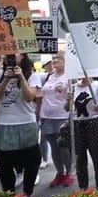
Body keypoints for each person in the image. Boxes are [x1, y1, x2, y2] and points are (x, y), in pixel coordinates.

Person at [0, 54, 42, 197]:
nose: (12, 55)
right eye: (10, 53)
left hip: (25, 123)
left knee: (32, 160)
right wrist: (6, 79)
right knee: (5, 163)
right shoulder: (1, 74)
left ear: (24, 57)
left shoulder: (32, 75)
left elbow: (29, 97)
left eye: (16, 53)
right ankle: (9, 195)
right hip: (4, 124)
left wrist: (21, 78)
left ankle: (27, 193)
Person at [66, 77, 98, 191]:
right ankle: (83, 187)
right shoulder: (72, 87)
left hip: (94, 122)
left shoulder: (96, 85)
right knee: (79, 158)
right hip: (76, 123)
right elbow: (67, 108)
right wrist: (68, 100)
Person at [37, 52, 74, 188]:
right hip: (47, 116)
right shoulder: (47, 77)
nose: (55, 61)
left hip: (62, 116)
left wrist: (69, 101)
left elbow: (73, 96)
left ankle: (69, 173)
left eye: (59, 59)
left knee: (63, 146)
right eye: (54, 59)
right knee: (53, 146)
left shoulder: (69, 78)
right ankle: (59, 172)